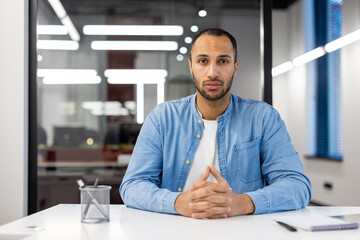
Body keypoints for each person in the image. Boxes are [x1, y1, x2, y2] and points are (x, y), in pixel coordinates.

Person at [120, 28, 312, 219]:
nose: (212, 72)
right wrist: (178, 203)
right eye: (203, 61)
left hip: (244, 233)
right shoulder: (162, 118)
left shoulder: (263, 118)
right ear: (191, 66)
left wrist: (241, 203)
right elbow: (133, 186)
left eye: (223, 61)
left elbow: (297, 185)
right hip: (176, 231)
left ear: (235, 67)